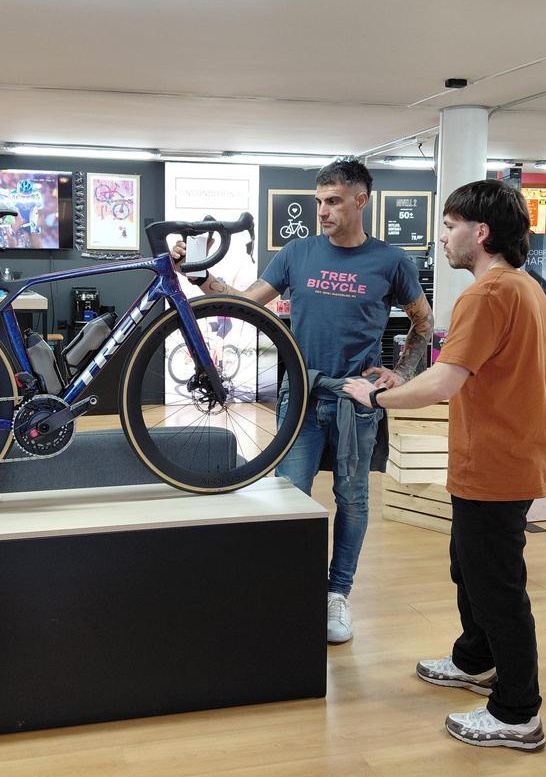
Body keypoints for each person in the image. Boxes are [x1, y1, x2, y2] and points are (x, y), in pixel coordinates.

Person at [172, 158, 433, 644]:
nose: (323, 211)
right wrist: (201, 278)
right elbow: (248, 302)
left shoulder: (391, 261)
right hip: (303, 394)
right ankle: (294, 587)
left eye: (333, 201)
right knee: (290, 491)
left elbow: (423, 322)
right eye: (319, 201)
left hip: (357, 398)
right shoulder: (298, 253)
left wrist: (399, 374)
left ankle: (337, 595)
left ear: (361, 201)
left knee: (352, 500)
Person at [344, 179, 546, 752]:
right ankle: (475, 659)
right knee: (470, 570)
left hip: (496, 465)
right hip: (498, 458)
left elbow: (447, 381)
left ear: (479, 233)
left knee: (497, 589)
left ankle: (517, 713)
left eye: (449, 225)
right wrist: (404, 378)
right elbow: (470, 370)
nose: (442, 237)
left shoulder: (487, 294)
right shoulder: (523, 287)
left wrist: (379, 398)